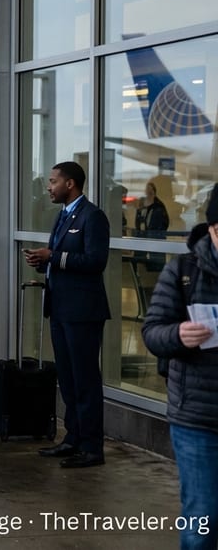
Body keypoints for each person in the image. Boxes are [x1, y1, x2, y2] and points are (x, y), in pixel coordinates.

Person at [142, 185, 218, 550]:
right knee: (203, 519)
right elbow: (152, 332)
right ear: (213, 229)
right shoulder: (183, 272)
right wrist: (178, 334)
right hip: (198, 418)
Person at [23, 161, 110, 469]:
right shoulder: (62, 215)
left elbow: (96, 261)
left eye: (53, 181)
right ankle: (73, 438)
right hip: (60, 308)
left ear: (70, 184)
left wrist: (54, 257)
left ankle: (91, 447)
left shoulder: (92, 216)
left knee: (85, 379)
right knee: (69, 379)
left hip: (82, 311)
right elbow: (63, 261)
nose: (48, 187)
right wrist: (44, 264)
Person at [135, 181, 170, 272]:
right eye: (147, 190)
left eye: (150, 190)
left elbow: (165, 222)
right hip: (142, 237)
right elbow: (138, 219)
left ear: (154, 192)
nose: (148, 192)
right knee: (140, 262)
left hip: (155, 238)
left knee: (155, 263)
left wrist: (157, 233)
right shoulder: (142, 204)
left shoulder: (159, 206)